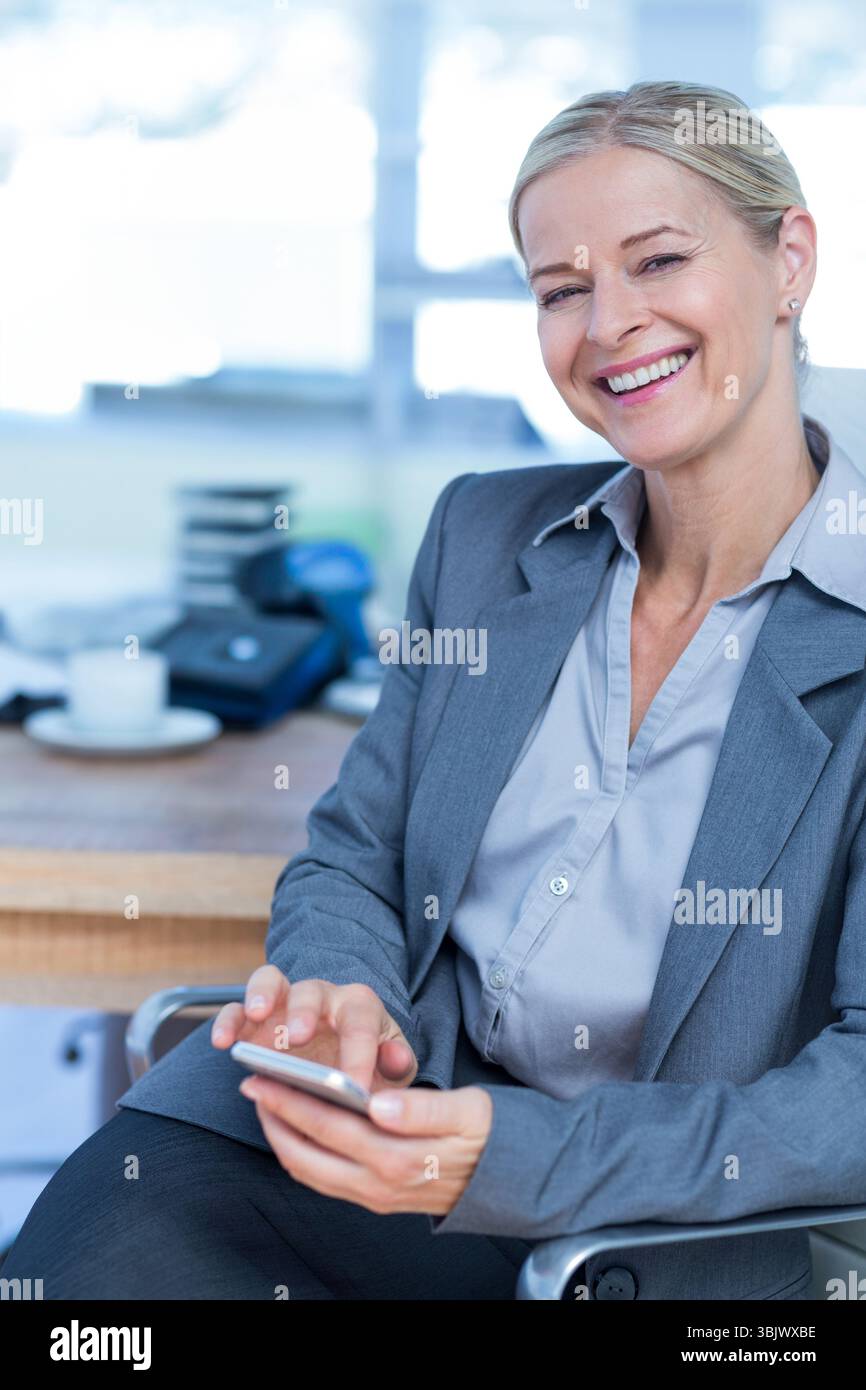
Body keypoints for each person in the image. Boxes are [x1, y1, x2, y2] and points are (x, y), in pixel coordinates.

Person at [7, 79, 866, 1301]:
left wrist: (500, 1156)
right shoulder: (482, 537)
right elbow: (350, 857)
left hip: (637, 1236)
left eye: (657, 261)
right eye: (560, 289)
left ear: (788, 260)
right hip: (353, 1150)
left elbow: (854, 1094)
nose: (606, 323)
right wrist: (349, 1000)